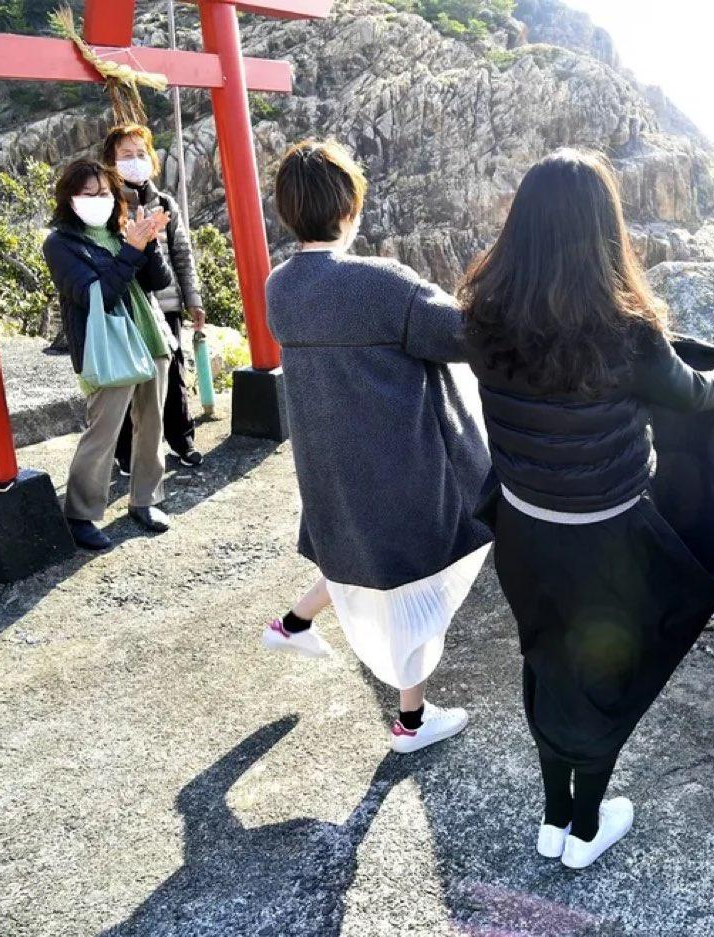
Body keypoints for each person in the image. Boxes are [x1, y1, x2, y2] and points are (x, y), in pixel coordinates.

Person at [461, 149, 714, 870]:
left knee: (546, 659)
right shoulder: (626, 331)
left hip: (523, 530)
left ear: (521, 227)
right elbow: (693, 394)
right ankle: (586, 825)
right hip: (608, 539)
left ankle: (553, 815)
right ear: (602, 232)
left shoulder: (483, 318)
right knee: (605, 679)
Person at [260, 139, 492, 756]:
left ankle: (292, 625)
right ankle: (411, 724)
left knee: (355, 557)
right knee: (408, 591)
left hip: (332, 468)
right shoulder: (382, 283)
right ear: (350, 208)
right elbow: (465, 336)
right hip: (397, 468)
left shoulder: (280, 287)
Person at [42, 158, 176, 550]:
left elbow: (160, 281)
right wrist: (132, 250)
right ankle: (80, 514)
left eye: (104, 193)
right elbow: (97, 295)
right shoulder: (60, 244)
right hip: (106, 347)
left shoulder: (121, 231)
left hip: (149, 336)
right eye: (88, 193)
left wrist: (149, 243)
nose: (98, 200)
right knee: (103, 431)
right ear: (69, 198)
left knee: (152, 423)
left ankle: (145, 499)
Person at [102, 123, 206, 470]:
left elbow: (182, 255)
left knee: (174, 377)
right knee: (128, 381)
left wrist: (192, 299)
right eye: (126, 155)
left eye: (141, 153)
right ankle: (127, 452)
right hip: (128, 307)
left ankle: (182, 441)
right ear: (111, 161)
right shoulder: (107, 206)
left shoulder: (165, 203)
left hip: (166, 303)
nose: (135, 160)